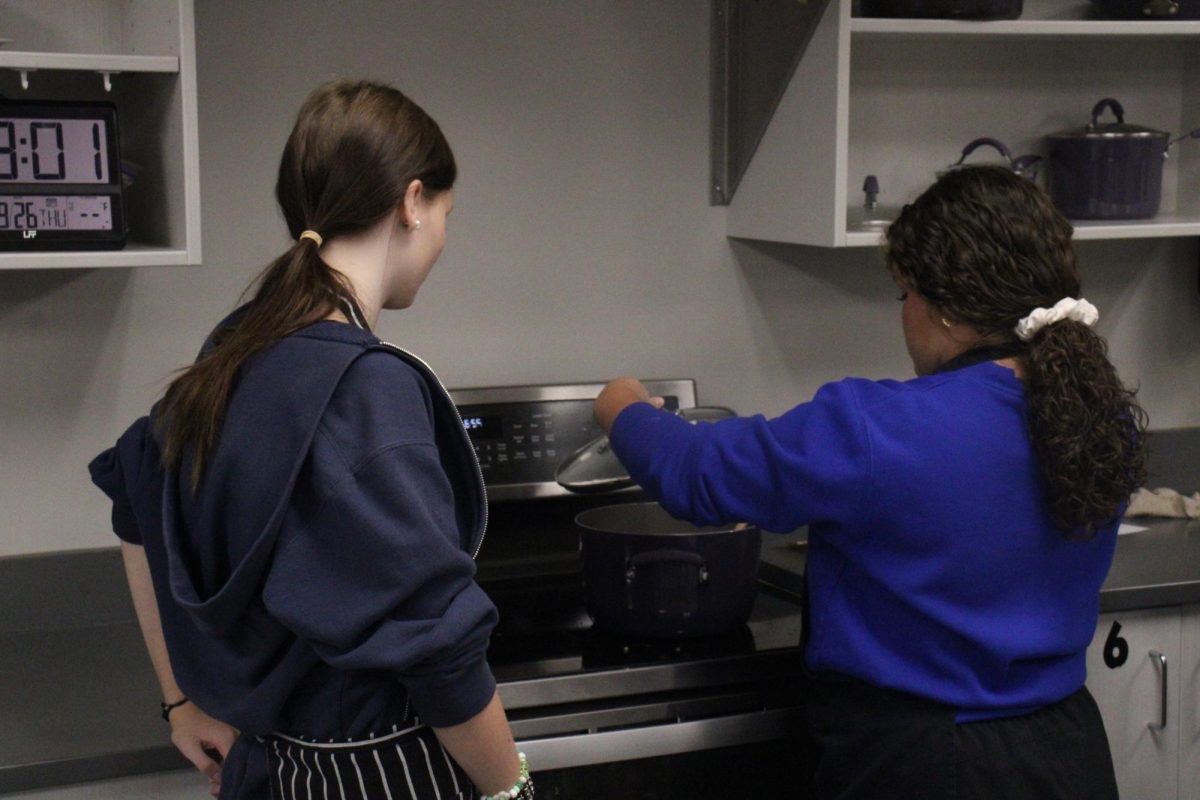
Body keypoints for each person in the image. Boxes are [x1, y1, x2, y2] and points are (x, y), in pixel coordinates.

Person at [592, 165, 1146, 799]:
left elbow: (697, 473)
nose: (903, 314)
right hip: (1067, 751)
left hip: (928, 765)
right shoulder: (1099, 414)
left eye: (904, 293)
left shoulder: (883, 429)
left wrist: (623, 407)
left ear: (947, 310)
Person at [89, 79, 532, 800]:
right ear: (412, 202)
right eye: (447, 213)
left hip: (282, 769)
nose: (444, 236)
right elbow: (441, 652)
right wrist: (511, 790)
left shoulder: (235, 351)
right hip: (388, 771)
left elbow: (133, 500)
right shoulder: (364, 389)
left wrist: (181, 701)